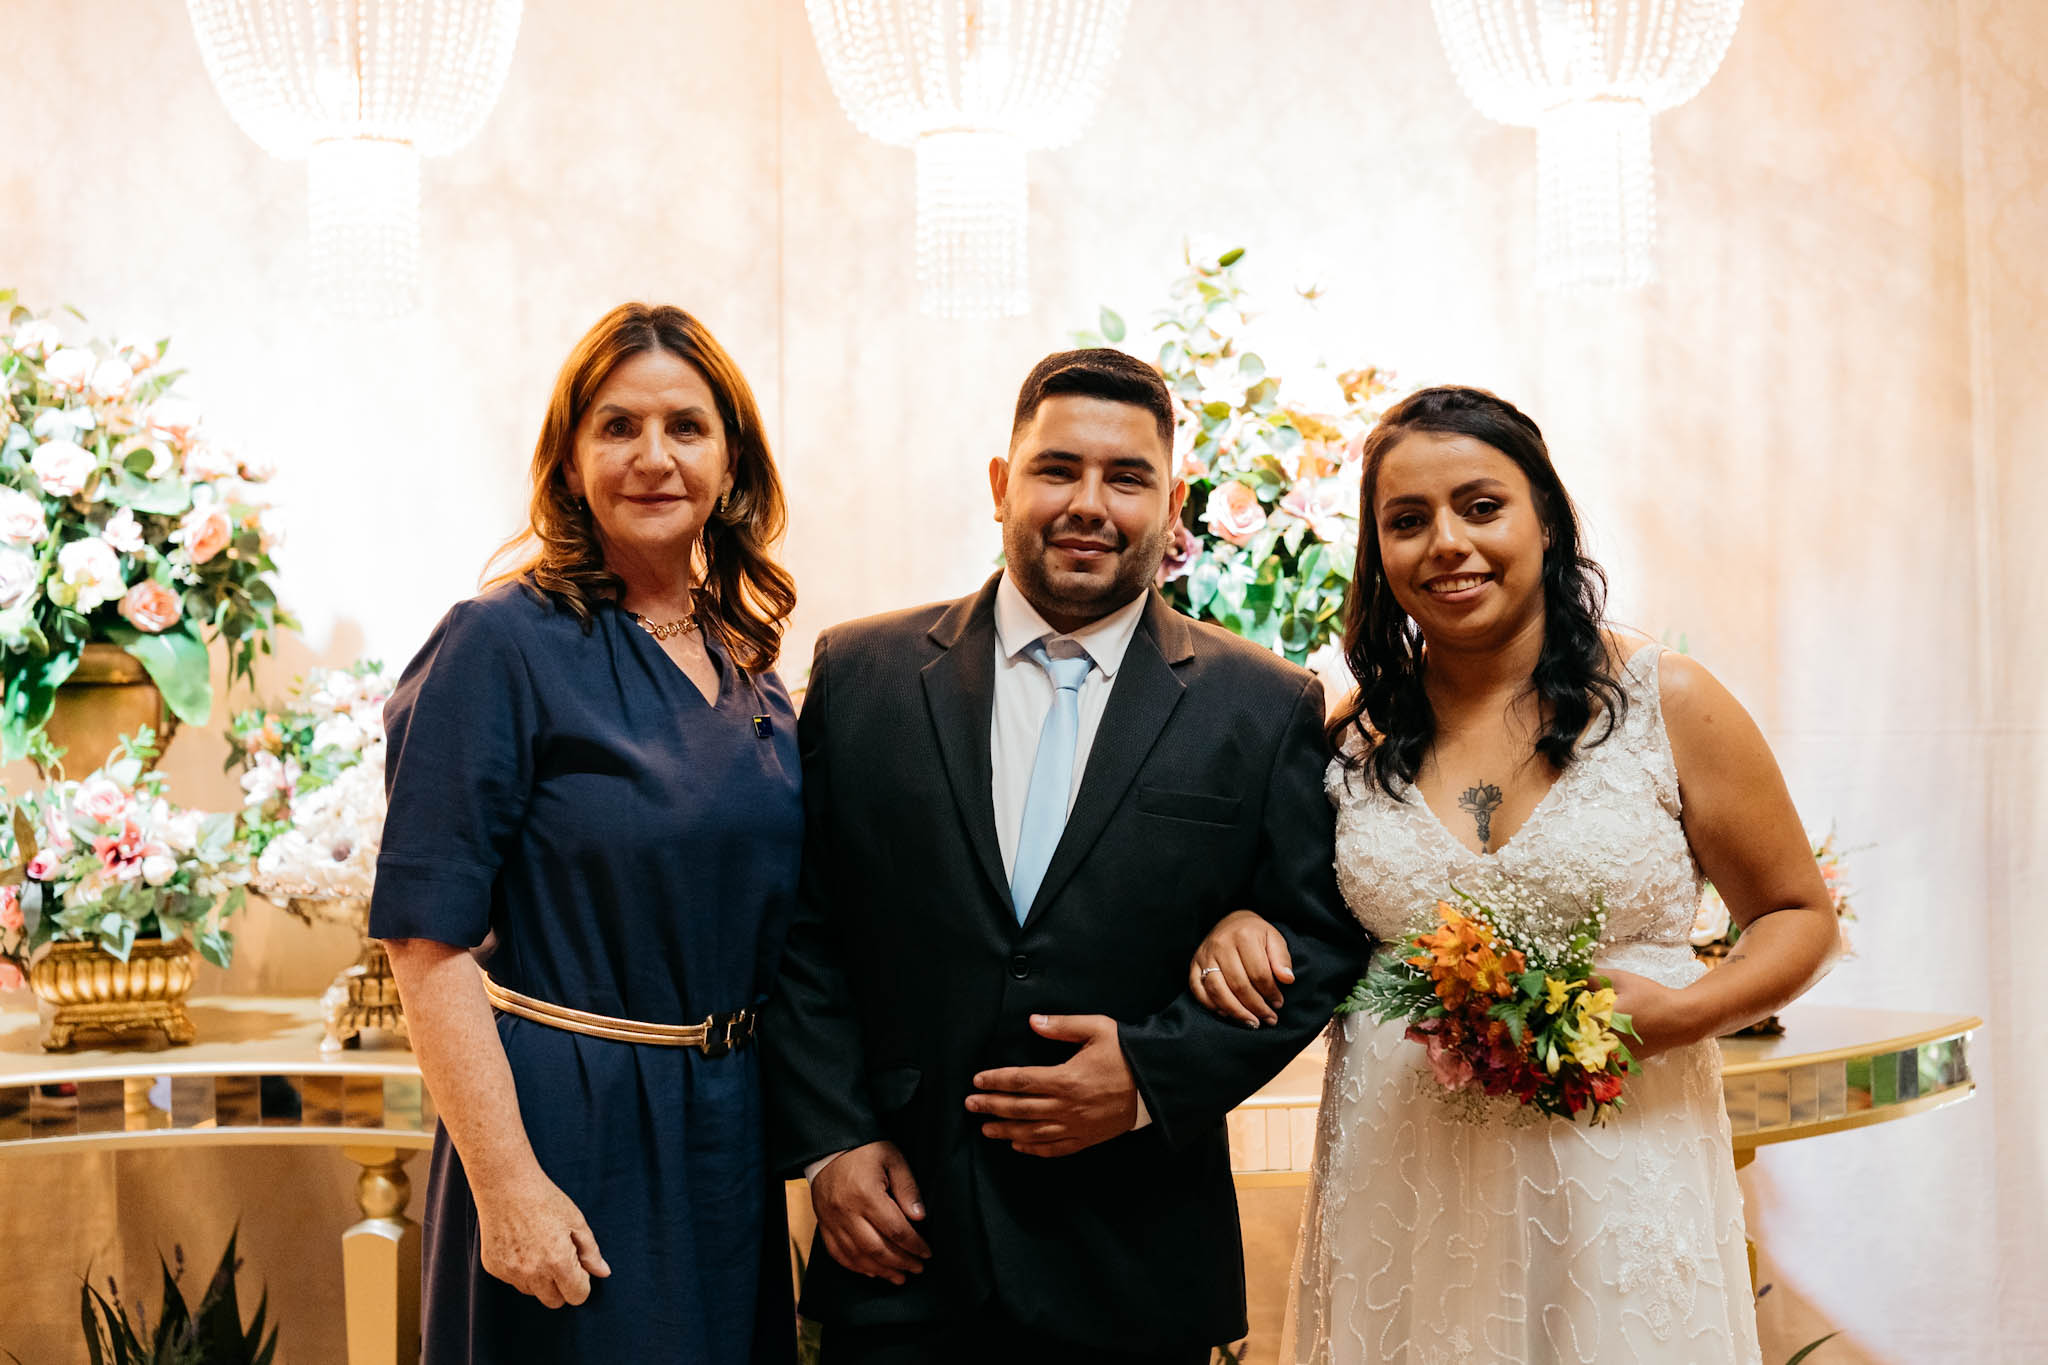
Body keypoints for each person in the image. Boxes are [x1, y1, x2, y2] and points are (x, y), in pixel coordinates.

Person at [1190, 386, 1841, 1363]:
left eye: (1480, 506)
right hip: (1405, 1188)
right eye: (1407, 521)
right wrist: (1235, 922)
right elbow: (1293, 914)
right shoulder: (1348, 740)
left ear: (1545, 520)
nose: (1446, 543)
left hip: (1619, 1172)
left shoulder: (1668, 702)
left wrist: (1683, 1012)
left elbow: (1797, 914)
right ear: (1378, 552)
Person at [760, 348, 1369, 1365]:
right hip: (902, 1245)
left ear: (1173, 505)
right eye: (1057, 470)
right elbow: (798, 924)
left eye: (1126, 477)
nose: (1088, 503)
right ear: (1003, 484)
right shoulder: (861, 674)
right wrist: (833, 1140)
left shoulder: (1261, 706)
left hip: (1132, 1262)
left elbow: (1319, 935)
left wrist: (1148, 1075)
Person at [372, 303, 802, 1364]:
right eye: (617, 427)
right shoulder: (499, 643)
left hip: (727, 1133)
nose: (654, 457)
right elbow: (423, 942)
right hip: (568, 1129)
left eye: (686, 427)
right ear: (569, 461)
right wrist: (507, 1184)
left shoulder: (744, 660)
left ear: (731, 463)